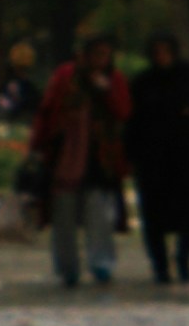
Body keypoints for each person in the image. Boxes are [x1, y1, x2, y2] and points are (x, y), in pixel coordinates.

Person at [27, 30, 135, 293]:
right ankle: (67, 268)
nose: (101, 59)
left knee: (99, 214)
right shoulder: (66, 76)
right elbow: (48, 110)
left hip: (100, 158)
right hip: (64, 157)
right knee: (63, 215)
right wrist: (38, 146)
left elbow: (124, 112)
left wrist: (106, 91)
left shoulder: (113, 78)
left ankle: (102, 263)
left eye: (106, 55)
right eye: (97, 54)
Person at [124, 34, 189, 286]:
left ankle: (184, 261)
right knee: (154, 215)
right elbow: (132, 120)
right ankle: (160, 266)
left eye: (165, 51)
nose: (161, 56)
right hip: (152, 158)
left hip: (185, 156)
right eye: (157, 51)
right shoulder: (143, 82)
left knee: (188, 212)